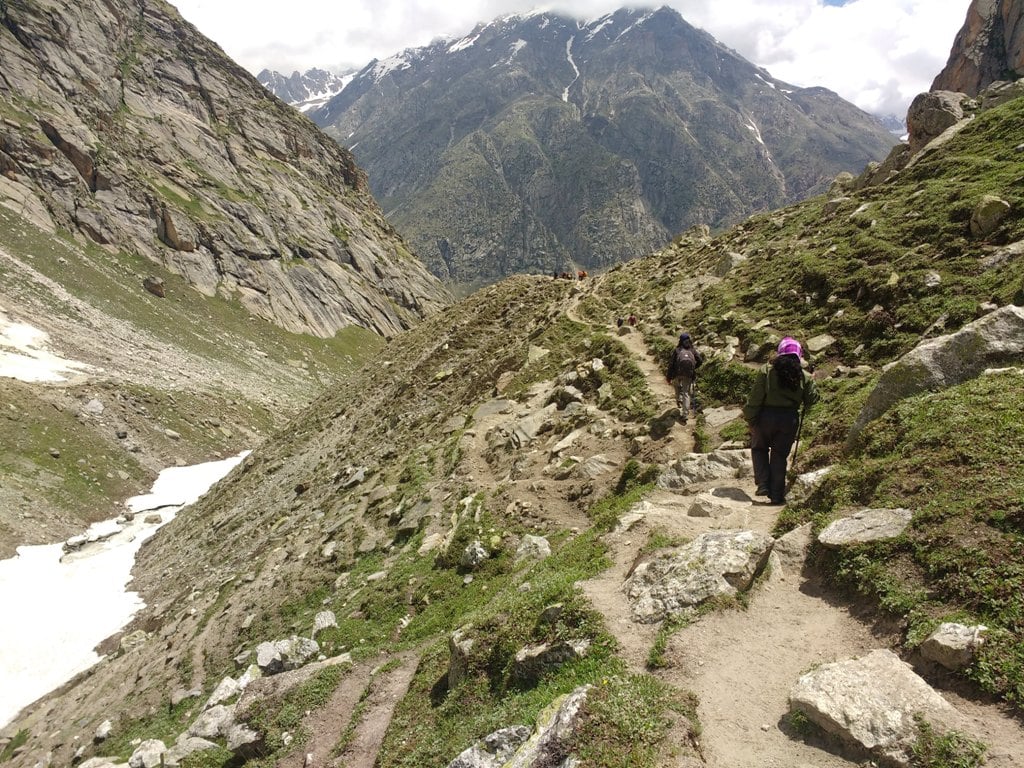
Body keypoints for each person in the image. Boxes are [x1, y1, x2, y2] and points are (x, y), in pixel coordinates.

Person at [742, 337, 820, 505]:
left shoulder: (766, 371)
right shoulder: (804, 376)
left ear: (780, 353)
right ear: (798, 355)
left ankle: (763, 483)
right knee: (779, 456)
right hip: (789, 420)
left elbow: (755, 398)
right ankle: (776, 495)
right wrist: (812, 380)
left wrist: (750, 417)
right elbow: (812, 400)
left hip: (765, 417)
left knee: (759, 448)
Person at [666, 332, 703, 423]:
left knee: (677, 386)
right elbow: (700, 361)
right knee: (686, 392)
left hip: (677, 373)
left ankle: (679, 399)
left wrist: (669, 376)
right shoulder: (692, 350)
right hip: (689, 374)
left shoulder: (677, 350)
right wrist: (693, 368)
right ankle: (685, 414)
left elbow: (671, 364)